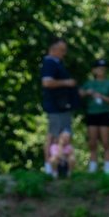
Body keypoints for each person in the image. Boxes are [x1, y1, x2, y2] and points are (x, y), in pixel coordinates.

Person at [39, 37, 78, 176]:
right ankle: (50, 166)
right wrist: (67, 83)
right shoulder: (49, 63)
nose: (64, 53)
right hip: (56, 106)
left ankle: (62, 167)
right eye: (62, 50)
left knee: (63, 135)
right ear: (53, 49)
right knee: (53, 135)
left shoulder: (57, 63)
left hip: (63, 106)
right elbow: (47, 83)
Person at [81, 58, 109, 174]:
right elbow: (79, 93)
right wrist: (87, 93)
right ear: (94, 70)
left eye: (103, 69)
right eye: (99, 69)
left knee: (106, 141)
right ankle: (93, 167)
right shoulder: (89, 83)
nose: (101, 71)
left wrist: (102, 97)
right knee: (92, 142)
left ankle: (108, 168)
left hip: (104, 114)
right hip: (91, 114)